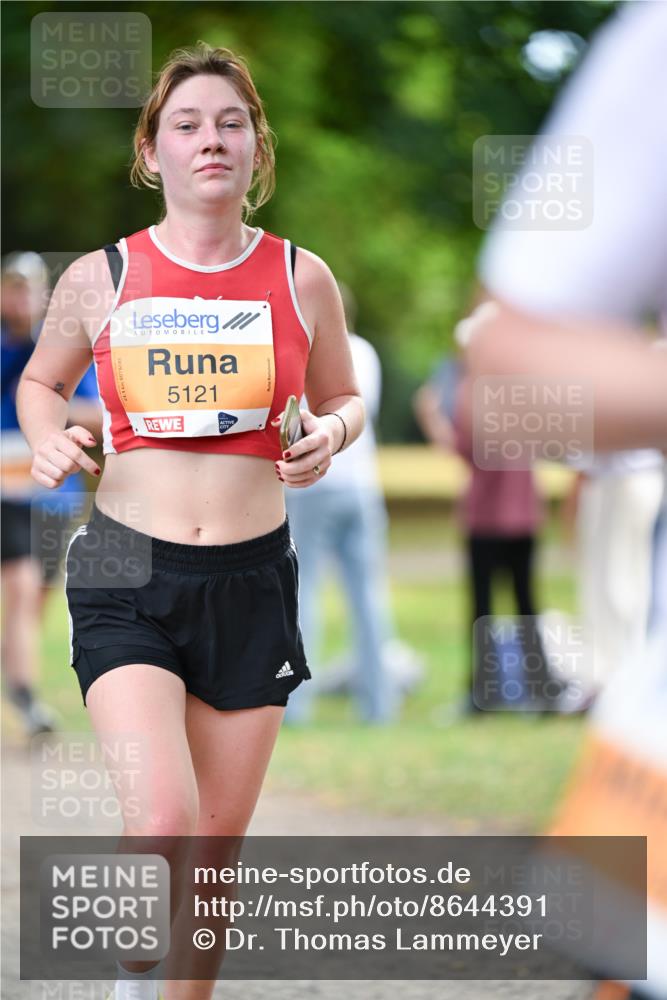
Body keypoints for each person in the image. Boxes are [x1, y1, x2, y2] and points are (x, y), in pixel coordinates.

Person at [16, 43, 363, 1000]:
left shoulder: (302, 276)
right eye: (187, 124)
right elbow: (41, 383)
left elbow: (345, 395)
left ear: (257, 148)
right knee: (164, 822)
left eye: (230, 122)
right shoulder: (106, 274)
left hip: (253, 576)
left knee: (213, 848)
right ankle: (134, 973)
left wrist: (328, 432)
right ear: (151, 151)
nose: (211, 139)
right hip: (126, 567)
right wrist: (48, 441)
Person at [285, 285, 403, 724]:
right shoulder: (367, 353)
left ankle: (297, 705)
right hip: (363, 488)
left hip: (316, 487)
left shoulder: (308, 355)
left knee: (304, 592)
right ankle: (379, 703)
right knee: (369, 595)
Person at [1, 251, 101, 736]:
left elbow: (103, 415)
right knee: (19, 588)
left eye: (28, 288)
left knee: (35, 598)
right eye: (11, 287)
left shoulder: (64, 347)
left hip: (55, 495)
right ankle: (26, 701)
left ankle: (17, 680)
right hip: (6, 492)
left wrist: (49, 403)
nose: (19, 298)